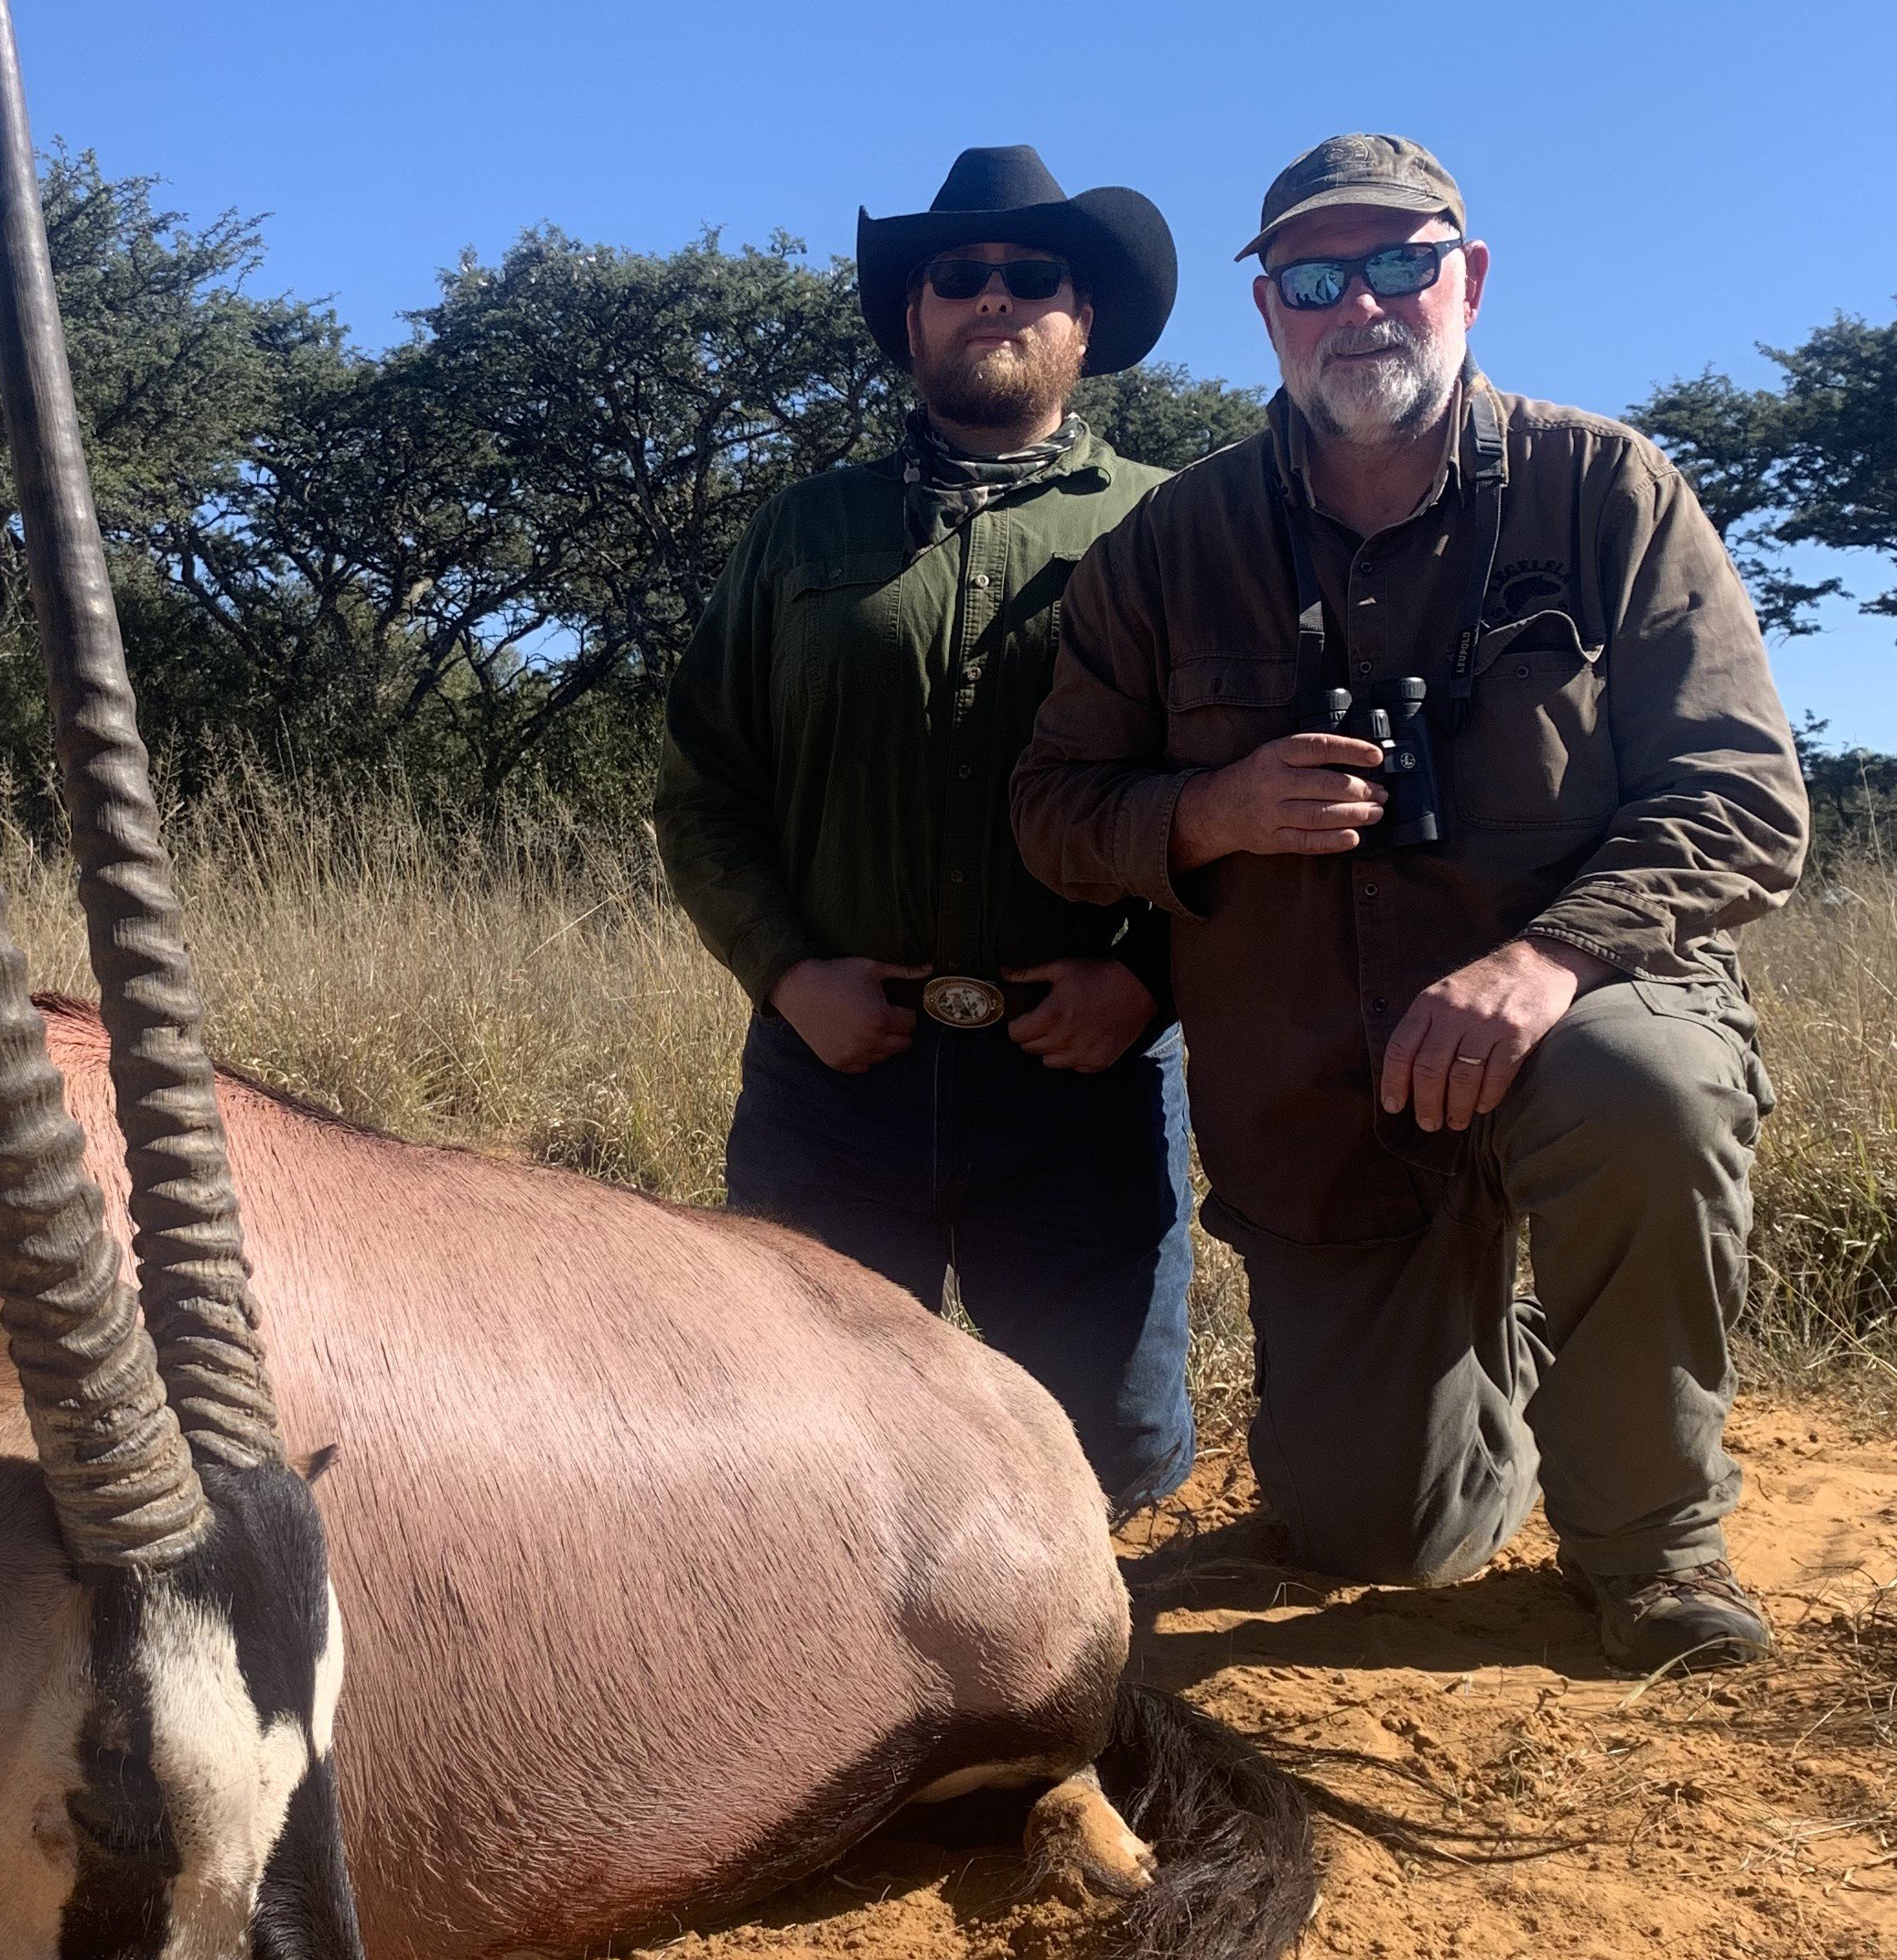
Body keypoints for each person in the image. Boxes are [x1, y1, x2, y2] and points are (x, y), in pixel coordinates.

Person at [1010, 132, 1808, 1667]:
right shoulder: (1167, 549)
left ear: (1470, 281)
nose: (1360, 305)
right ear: (1271, 314)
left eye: (1399, 265)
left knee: (1644, 1086)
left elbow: (1741, 797)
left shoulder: (1610, 489)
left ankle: (1652, 1553)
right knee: (1383, 1530)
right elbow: (1053, 812)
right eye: (1315, 277)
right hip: (1326, 1094)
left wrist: (1550, 958)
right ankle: (1494, 1357)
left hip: (1582, 1012)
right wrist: (1211, 810)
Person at [655, 145, 1197, 1513]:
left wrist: (1147, 982)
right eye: (960, 276)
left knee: (1110, 1457)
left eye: (1033, 278)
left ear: (1086, 322)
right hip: (834, 1076)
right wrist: (788, 975)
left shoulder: (1176, 529)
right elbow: (705, 783)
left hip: (1084, 1076)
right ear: (915, 318)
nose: (993, 299)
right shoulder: (798, 530)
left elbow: (1243, 808)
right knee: (795, 1444)